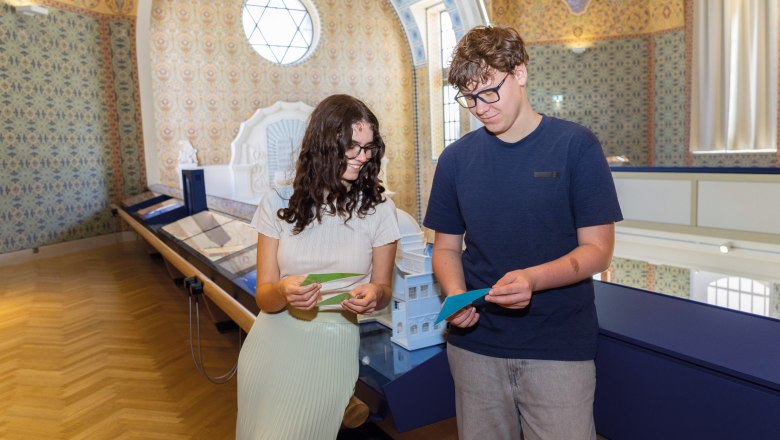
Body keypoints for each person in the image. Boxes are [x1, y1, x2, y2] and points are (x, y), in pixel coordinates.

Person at [423, 25, 623, 440]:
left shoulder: (577, 146)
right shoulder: (455, 160)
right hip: (474, 347)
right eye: (469, 97)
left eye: (489, 91)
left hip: (559, 348)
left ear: (520, 73)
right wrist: (455, 296)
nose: (480, 107)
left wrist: (533, 278)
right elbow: (444, 247)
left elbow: (598, 250)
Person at [236, 94, 400, 440]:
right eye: (352, 147)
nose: (363, 158)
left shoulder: (380, 210)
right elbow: (264, 298)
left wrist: (374, 294)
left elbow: (384, 290)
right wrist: (282, 290)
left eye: (369, 148)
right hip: (273, 341)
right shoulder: (278, 203)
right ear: (325, 145)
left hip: (333, 345)